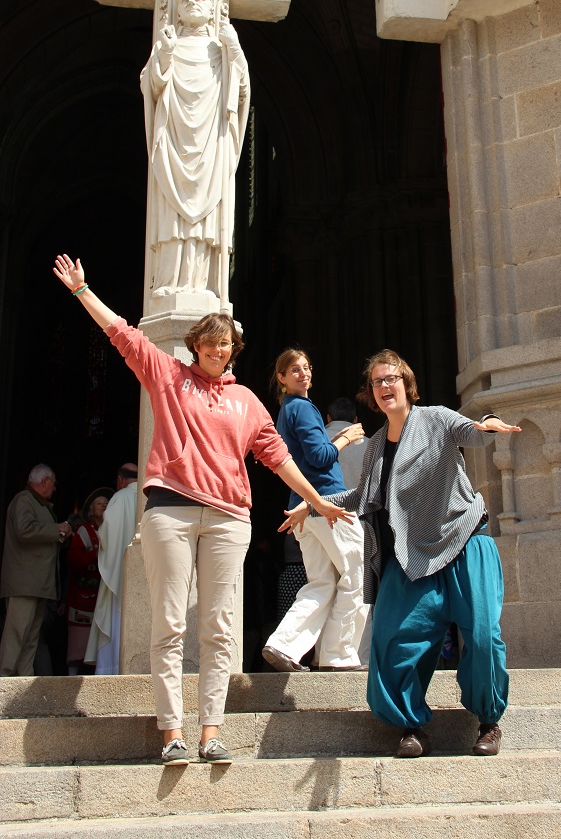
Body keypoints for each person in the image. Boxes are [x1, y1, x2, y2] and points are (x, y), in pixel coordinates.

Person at [53, 253, 353, 766]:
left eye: (226, 342)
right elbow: (122, 334)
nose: (218, 349)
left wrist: (316, 498)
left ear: (234, 349)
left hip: (228, 519)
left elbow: (278, 457)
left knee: (218, 627)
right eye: (210, 341)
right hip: (169, 511)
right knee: (170, 624)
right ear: (195, 345)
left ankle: (211, 732)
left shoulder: (249, 402)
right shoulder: (168, 375)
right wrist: (83, 291)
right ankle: (172, 733)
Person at [282, 349, 521, 758]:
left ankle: (488, 721)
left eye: (390, 378)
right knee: (393, 639)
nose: (384, 386)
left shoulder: (437, 418)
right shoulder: (376, 445)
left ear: (406, 384)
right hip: (415, 557)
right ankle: (412, 725)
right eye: (376, 382)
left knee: (482, 637)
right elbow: (362, 496)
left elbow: (472, 432)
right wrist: (314, 503)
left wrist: (489, 425)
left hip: (463, 541)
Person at [140, 0, 250, 302]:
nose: (192, 3)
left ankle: (201, 285)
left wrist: (234, 49)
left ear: (212, 6)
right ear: (176, 8)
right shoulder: (168, 45)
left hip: (209, 146)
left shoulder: (221, 50)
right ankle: (169, 281)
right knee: (172, 213)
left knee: (205, 215)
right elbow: (152, 87)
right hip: (174, 142)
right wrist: (165, 52)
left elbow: (241, 93)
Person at [262, 349, 369, 673]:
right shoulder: (303, 408)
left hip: (303, 507)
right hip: (327, 502)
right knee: (358, 574)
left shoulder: (286, 410)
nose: (303, 373)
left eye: (306, 367)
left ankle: (283, 645)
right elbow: (321, 457)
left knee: (321, 582)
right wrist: (346, 439)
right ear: (281, 377)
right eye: (294, 369)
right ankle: (338, 654)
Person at [0, 465, 71, 676]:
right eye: (53, 484)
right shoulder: (24, 500)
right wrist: (56, 529)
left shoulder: (39, 504)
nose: (54, 489)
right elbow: (24, 530)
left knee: (31, 638)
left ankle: (24, 680)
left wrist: (60, 535)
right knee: (16, 634)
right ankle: (4, 678)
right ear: (44, 481)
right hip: (24, 583)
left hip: (38, 584)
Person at [85, 463, 139, 674]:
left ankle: (112, 669)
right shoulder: (149, 496)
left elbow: (106, 535)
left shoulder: (120, 498)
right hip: (143, 575)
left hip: (119, 572)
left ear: (120, 480)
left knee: (116, 619)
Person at [65, 487, 111, 674]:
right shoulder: (83, 531)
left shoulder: (112, 530)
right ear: (91, 510)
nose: (103, 506)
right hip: (82, 598)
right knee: (78, 645)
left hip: (104, 595)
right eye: (99, 503)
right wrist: (95, 553)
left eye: (106, 503)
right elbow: (73, 561)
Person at [325, 396, 369, 489]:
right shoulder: (370, 444)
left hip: (323, 497)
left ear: (328, 418)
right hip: (359, 498)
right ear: (355, 420)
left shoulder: (318, 440)